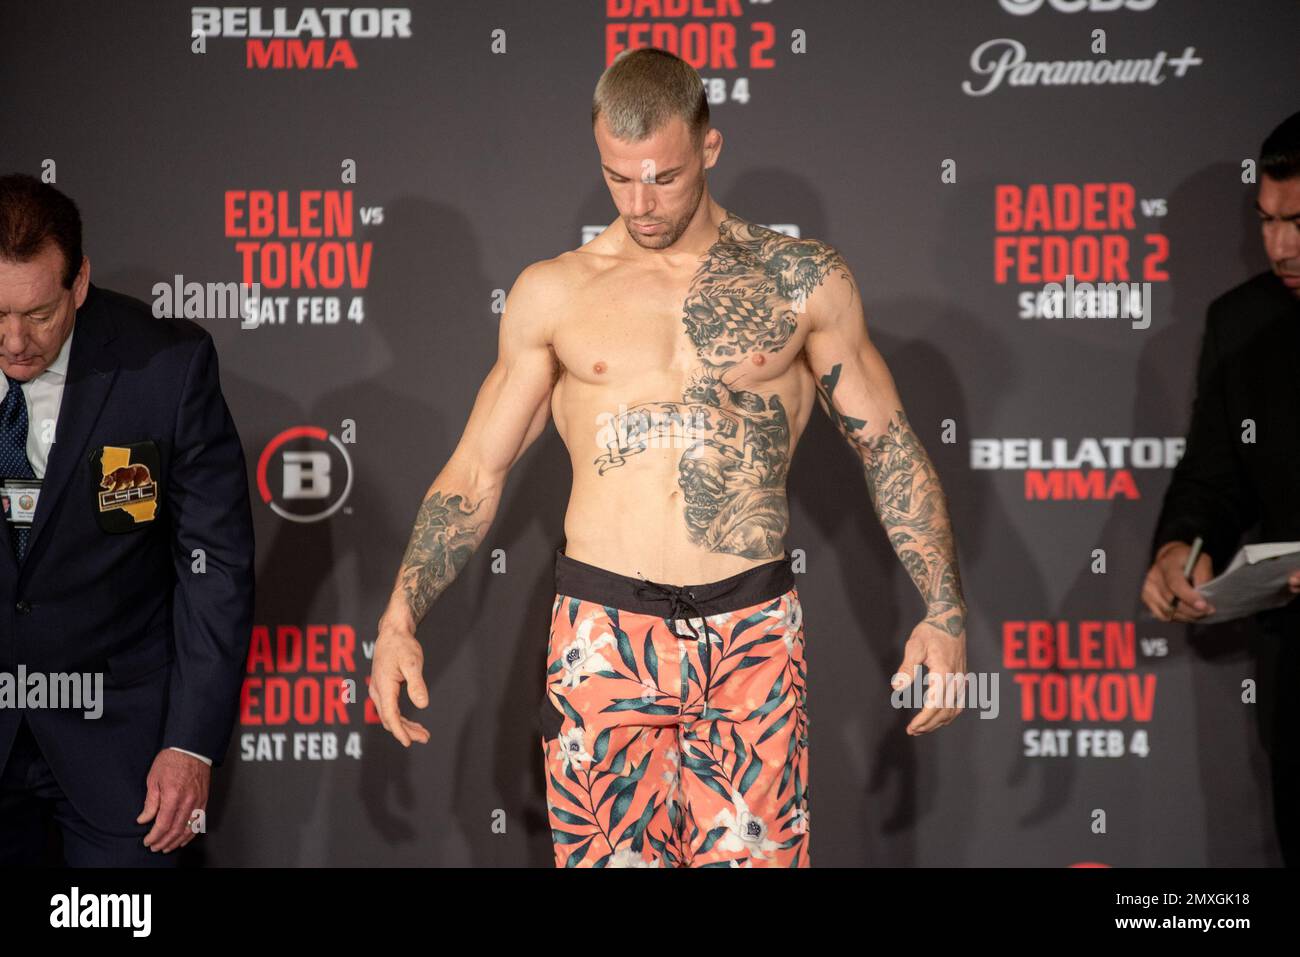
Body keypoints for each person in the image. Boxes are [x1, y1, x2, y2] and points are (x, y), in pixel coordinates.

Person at [369, 48, 968, 868]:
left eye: (664, 177)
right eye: (619, 179)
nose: (642, 204)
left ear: (709, 149)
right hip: (602, 632)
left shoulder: (800, 280)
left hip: (750, 628)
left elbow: (889, 448)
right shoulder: (558, 292)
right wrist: (402, 616)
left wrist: (943, 611)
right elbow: (478, 470)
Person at [0, 174, 255, 865]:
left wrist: (190, 742)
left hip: (121, 745)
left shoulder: (167, 368)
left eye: (39, 314)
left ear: (79, 282)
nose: (15, 341)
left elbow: (215, 566)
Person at [1141, 111, 1300, 864]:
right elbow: (1212, 473)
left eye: (1299, 221)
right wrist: (1182, 546)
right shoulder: (1239, 323)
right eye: (1266, 220)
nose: (1280, 247)